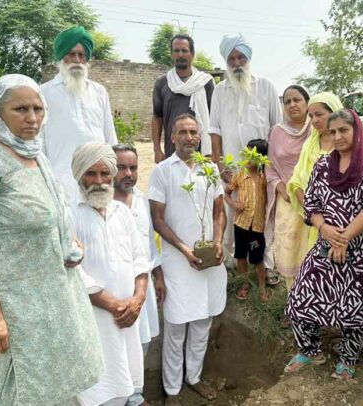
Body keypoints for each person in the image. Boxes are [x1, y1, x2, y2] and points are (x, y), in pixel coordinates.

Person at [0, 74, 102, 405]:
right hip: (13, 308)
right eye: (20, 109)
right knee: (17, 392)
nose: (31, 118)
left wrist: (69, 240)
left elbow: (49, 214)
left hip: (51, 304)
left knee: (55, 388)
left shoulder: (37, 155)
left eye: (37, 108)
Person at [284, 110, 363, 381]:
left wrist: (345, 238)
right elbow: (311, 204)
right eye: (333, 132)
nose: (338, 136)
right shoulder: (322, 165)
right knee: (299, 299)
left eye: (344, 130)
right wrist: (326, 230)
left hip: (360, 249)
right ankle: (310, 350)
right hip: (325, 244)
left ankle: (347, 359)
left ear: (356, 130)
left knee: (353, 309)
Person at [149, 114, 227, 406]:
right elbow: (157, 219)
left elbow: (220, 211)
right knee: (177, 327)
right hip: (178, 262)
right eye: (182, 132)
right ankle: (171, 390)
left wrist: (218, 242)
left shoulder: (209, 169)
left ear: (199, 136)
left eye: (194, 132)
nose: (189, 137)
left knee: (202, 324)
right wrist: (184, 249)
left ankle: (193, 378)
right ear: (172, 137)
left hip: (209, 262)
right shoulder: (162, 171)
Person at [71, 143, 150, 406]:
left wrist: (137, 300)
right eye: (91, 174)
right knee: (101, 391)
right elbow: (73, 274)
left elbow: (140, 259)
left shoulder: (122, 212)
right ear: (79, 175)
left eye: (105, 174)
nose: (99, 181)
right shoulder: (70, 215)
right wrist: (115, 305)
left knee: (127, 379)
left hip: (129, 316)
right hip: (97, 320)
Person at [209, 33, 282, 285]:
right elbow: (215, 130)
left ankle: (266, 264)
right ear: (226, 61)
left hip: (261, 168)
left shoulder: (267, 87)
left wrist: (270, 169)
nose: (237, 62)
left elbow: (277, 128)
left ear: (249, 59)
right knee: (232, 213)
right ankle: (231, 261)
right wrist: (220, 166)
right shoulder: (219, 90)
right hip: (231, 168)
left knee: (262, 216)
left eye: (241, 57)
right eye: (232, 58)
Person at [286, 92, 363, 250]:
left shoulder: (361, 138)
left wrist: (342, 230)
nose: (314, 120)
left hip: (354, 225)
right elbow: (296, 182)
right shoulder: (310, 144)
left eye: (319, 114)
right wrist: (318, 219)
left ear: (334, 111)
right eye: (311, 116)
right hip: (318, 224)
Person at [112, 143, 165, 406]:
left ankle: (135, 395)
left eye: (133, 167)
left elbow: (148, 245)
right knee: (116, 347)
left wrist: (159, 277)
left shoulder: (142, 201)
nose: (128, 173)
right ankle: (125, 398)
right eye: (121, 167)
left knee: (141, 342)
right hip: (115, 295)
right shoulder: (101, 205)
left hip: (142, 293)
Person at [41, 26, 118, 203]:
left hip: (97, 182)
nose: (76, 60)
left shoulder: (99, 92)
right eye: (70, 54)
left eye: (81, 55)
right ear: (60, 57)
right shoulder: (43, 93)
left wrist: (114, 172)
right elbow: (40, 142)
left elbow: (110, 137)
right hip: (60, 183)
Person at [265, 85, 313, 289]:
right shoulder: (277, 132)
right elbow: (269, 164)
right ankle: (292, 300)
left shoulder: (317, 128)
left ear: (307, 102)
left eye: (297, 100)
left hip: (314, 201)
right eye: (287, 101)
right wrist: (282, 189)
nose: (292, 104)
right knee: (288, 252)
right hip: (286, 201)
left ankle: (313, 303)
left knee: (310, 253)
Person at [152, 34, 215, 162]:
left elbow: (214, 119)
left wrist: (214, 151)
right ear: (172, 54)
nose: (180, 54)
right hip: (172, 151)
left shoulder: (205, 83)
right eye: (176, 51)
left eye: (184, 50)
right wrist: (157, 150)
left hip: (201, 153)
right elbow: (157, 118)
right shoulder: (163, 83)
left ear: (192, 54)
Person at [225, 139, 270, 302]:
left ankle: (262, 287)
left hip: (258, 225)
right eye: (247, 154)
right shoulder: (239, 174)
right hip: (241, 224)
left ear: (262, 158)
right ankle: (244, 284)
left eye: (253, 155)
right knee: (241, 255)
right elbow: (227, 192)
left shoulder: (265, 177)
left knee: (258, 258)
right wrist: (234, 204)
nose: (249, 159)